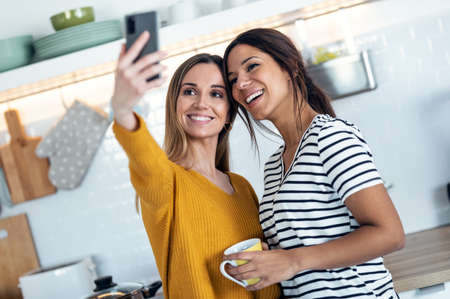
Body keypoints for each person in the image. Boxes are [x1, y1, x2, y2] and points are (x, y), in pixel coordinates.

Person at [222, 28, 405, 298]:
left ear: (289, 67)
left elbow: (390, 234)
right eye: (233, 79)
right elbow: (307, 244)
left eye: (252, 67)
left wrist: (292, 260)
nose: (240, 84)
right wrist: (272, 258)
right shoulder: (274, 166)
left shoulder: (330, 137)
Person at [111, 31, 280, 299]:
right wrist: (122, 109)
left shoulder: (242, 187)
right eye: (190, 91)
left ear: (228, 114)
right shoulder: (167, 182)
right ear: (174, 105)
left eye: (216, 94)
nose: (202, 103)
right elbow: (145, 158)